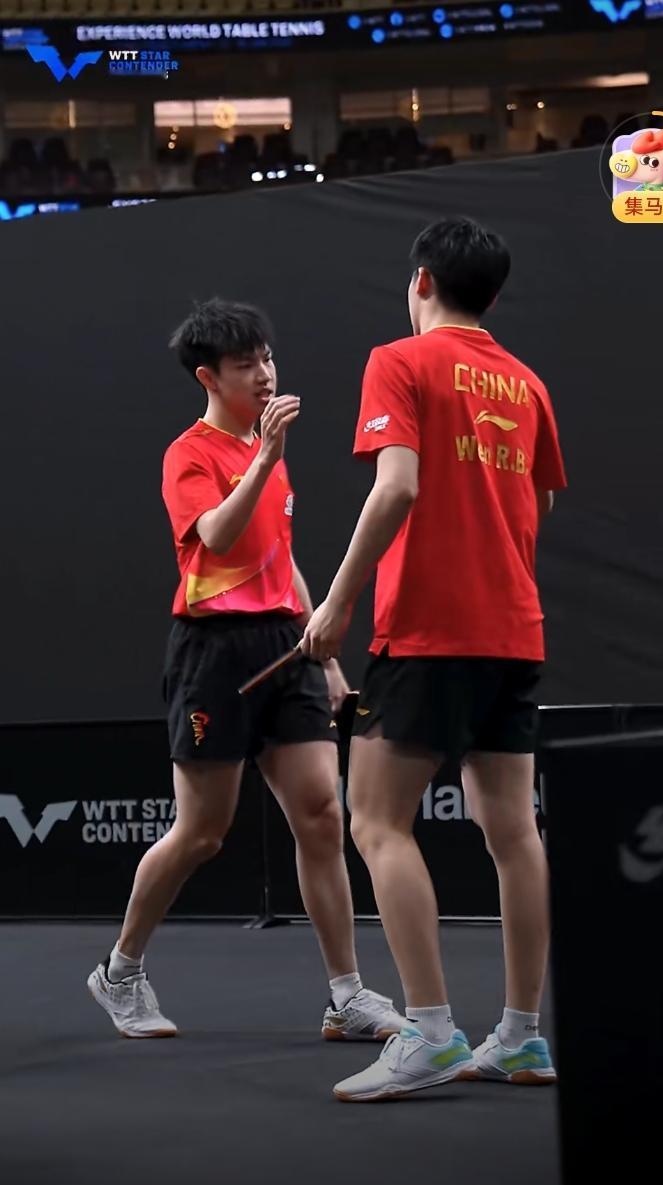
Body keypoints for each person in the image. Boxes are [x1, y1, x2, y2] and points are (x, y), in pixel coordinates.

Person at [88, 298, 404, 1043]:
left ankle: (346, 996)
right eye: (245, 365)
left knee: (322, 813)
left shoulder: (270, 451)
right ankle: (120, 971)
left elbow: (277, 558)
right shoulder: (190, 454)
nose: (265, 375)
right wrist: (262, 459)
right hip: (213, 654)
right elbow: (221, 539)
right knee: (202, 832)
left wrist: (324, 653)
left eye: (267, 358)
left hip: (285, 645)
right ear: (209, 377)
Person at [302, 217, 567, 1101]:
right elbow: (538, 504)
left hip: (427, 631)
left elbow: (400, 485)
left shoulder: (400, 361)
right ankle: (522, 1036)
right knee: (514, 831)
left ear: (422, 281)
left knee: (376, 820)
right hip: (513, 629)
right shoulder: (527, 382)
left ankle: (431, 1030)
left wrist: (337, 601)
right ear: (490, 294)